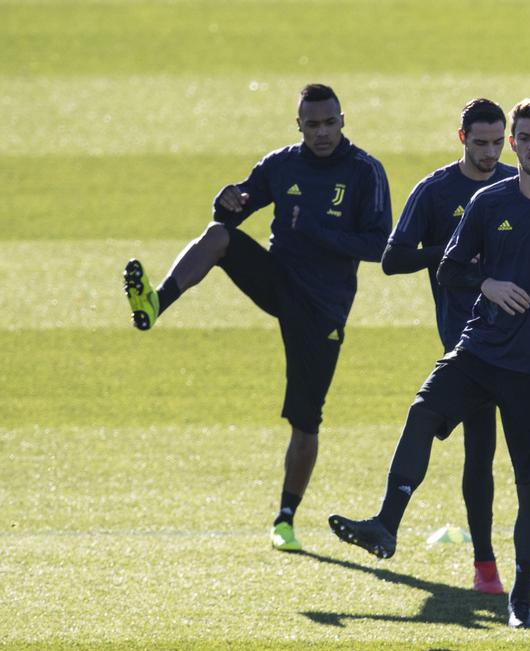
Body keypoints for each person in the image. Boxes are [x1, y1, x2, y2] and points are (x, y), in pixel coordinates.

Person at [329, 98, 530, 629]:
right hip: (479, 351)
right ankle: (386, 524)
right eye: (524, 138)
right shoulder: (489, 203)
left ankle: (521, 600)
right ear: (515, 143)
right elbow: (447, 269)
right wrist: (486, 281)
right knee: (423, 412)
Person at [122, 84, 392, 553]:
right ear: (299, 125)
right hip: (279, 280)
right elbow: (234, 210)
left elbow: (380, 244)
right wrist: (224, 200)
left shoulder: (365, 171)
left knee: (306, 421)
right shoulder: (282, 164)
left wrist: (321, 233)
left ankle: (285, 518)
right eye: (313, 124)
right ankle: (154, 304)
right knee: (218, 236)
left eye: (330, 123)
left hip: (323, 307)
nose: (322, 132)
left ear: (343, 121)